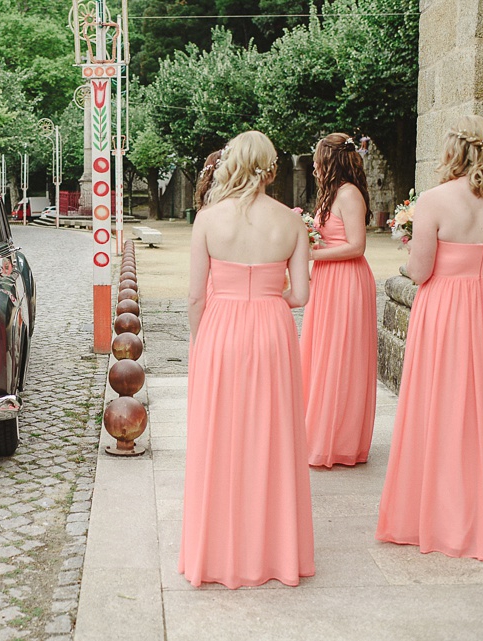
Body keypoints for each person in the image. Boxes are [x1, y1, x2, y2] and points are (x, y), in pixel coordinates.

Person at [375, 116, 483, 562]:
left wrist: (408, 259)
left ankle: (427, 516)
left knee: (435, 407)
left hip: (445, 307)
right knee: (477, 412)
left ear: (453, 151)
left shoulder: (435, 200)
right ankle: (467, 514)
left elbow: (421, 270)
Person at [179, 131, 314, 588]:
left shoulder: (208, 220)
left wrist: (200, 346)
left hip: (220, 331)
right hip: (273, 332)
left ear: (232, 165)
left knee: (221, 436)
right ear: (271, 169)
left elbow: (196, 296)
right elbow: (301, 295)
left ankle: (217, 553)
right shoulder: (291, 222)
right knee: (271, 435)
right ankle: (273, 553)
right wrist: (267, 291)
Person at [300, 133, 377, 467]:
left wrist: (312, 252)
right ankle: (317, 431)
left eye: (318, 160)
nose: (315, 166)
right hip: (328, 281)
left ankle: (340, 440)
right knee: (322, 356)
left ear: (330, 161)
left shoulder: (349, 195)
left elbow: (357, 246)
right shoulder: (329, 195)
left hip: (347, 281)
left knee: (341, 357)